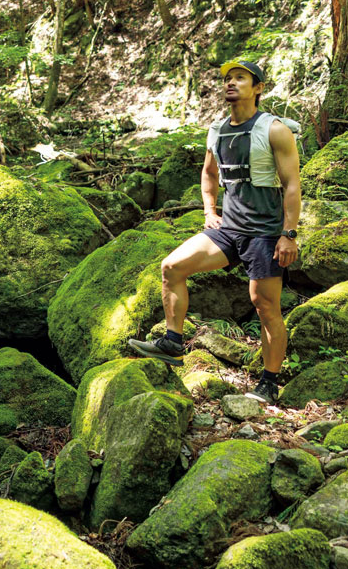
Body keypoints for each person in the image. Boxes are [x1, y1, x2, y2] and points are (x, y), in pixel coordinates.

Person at [128, 60, 302, 405]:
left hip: (264, 233)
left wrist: (289, 233)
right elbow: (209, 174)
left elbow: (292, 183)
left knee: (265, 307)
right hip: (228, 229)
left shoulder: (274, 129)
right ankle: (173, 344)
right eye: (227, 79)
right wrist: (209, 210)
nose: (231, 83)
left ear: (258, 88)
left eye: (240, 78)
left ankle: (269, 382)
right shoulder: (218, 130)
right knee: (171, 267)